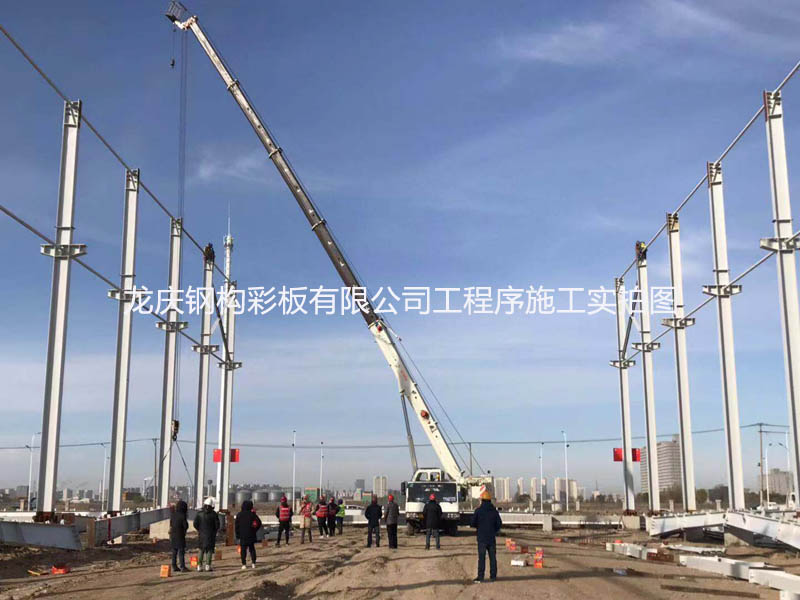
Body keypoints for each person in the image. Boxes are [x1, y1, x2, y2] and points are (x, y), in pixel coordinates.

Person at [470, 490, 502, 583]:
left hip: (481, 538)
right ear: (490, 500)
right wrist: (494, 530)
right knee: (493, 558)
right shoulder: (494, 512)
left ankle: (480, 577)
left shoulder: (478, 511)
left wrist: (478, 527)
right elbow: (499, 524)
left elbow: (472, 523)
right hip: (491, 538)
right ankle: (493, 576)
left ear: (482, 500)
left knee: (482, 558)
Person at [193, 497, 220, 571]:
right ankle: (208, 565)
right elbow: (217, 525)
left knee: (201, 549)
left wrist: (199, 529)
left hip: (201, 534)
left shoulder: (199, 514)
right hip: (211, 535)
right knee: (209, 550)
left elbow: (195, 524)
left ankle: (199, 566)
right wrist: (214, 531)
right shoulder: (214, 514)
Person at [235, 499, 262, 569]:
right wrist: (254, 530)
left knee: (243, 550)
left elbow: (236, 526)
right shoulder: (252, 514)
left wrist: (238, 535)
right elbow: (259, 523)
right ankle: (253, 563)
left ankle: (244, 564)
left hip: (242, 536)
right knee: (252, 549)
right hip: (251, 534)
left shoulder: (239, 515)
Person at [169, 499, 189, 572]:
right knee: (181, 551)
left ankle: (174, 566)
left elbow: (171, 524)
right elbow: (185, 526)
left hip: (173, 535)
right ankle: (182, 566)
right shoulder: (183, 516)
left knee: (174, 551)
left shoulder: (173, 515)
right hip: (180, 535)